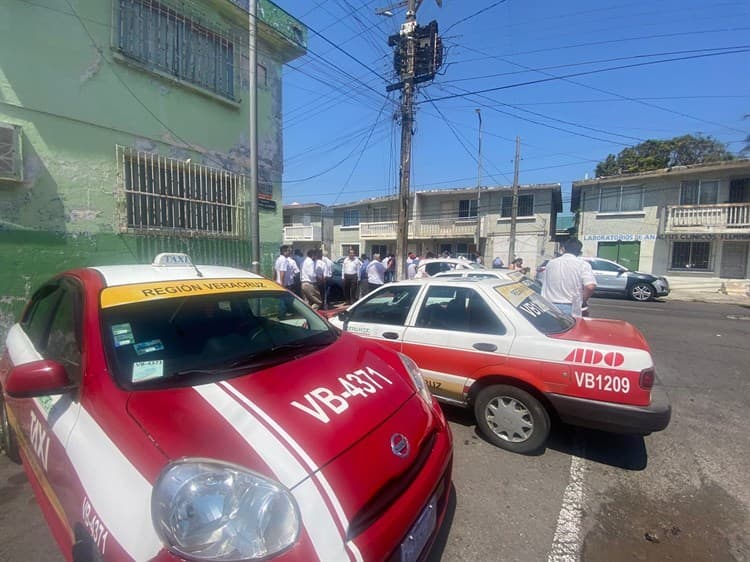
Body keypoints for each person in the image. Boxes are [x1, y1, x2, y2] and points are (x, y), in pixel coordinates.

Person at [541, 238, 597, 317]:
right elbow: (590, 286)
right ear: (579, 252)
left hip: (549, 305)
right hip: (570, 307)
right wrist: (583, 300)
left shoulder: (550, 263)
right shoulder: (583, 265)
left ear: (563, 249)